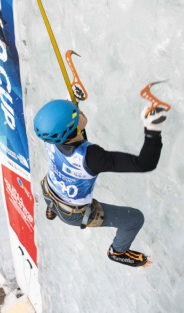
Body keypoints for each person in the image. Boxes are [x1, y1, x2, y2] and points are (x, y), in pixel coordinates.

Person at [34, 100, 168, 268]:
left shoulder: (50, 135)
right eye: (77, 113)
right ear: (72, 128)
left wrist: (73, 109)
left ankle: (52, 209)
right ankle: (118, 252)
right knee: (135, 219)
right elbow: (144, 163)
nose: (81, 112)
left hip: (48, 193)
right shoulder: (93, 157)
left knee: (57, 193)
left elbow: (65, 129)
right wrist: (152, 130)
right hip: (73, 214)